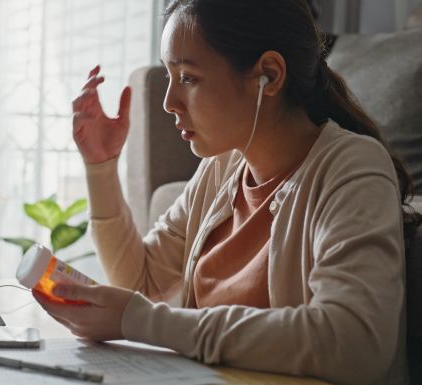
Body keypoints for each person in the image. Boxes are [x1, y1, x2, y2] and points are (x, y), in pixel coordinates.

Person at [31, 1, 420, 384]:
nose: (168, 102)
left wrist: (141, 321)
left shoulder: (352, 167)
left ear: (268, 74)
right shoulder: (221, 168)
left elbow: (355, 345)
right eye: (169, 76)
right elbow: (142, 284)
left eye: (188, 77)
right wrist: (100, 166)